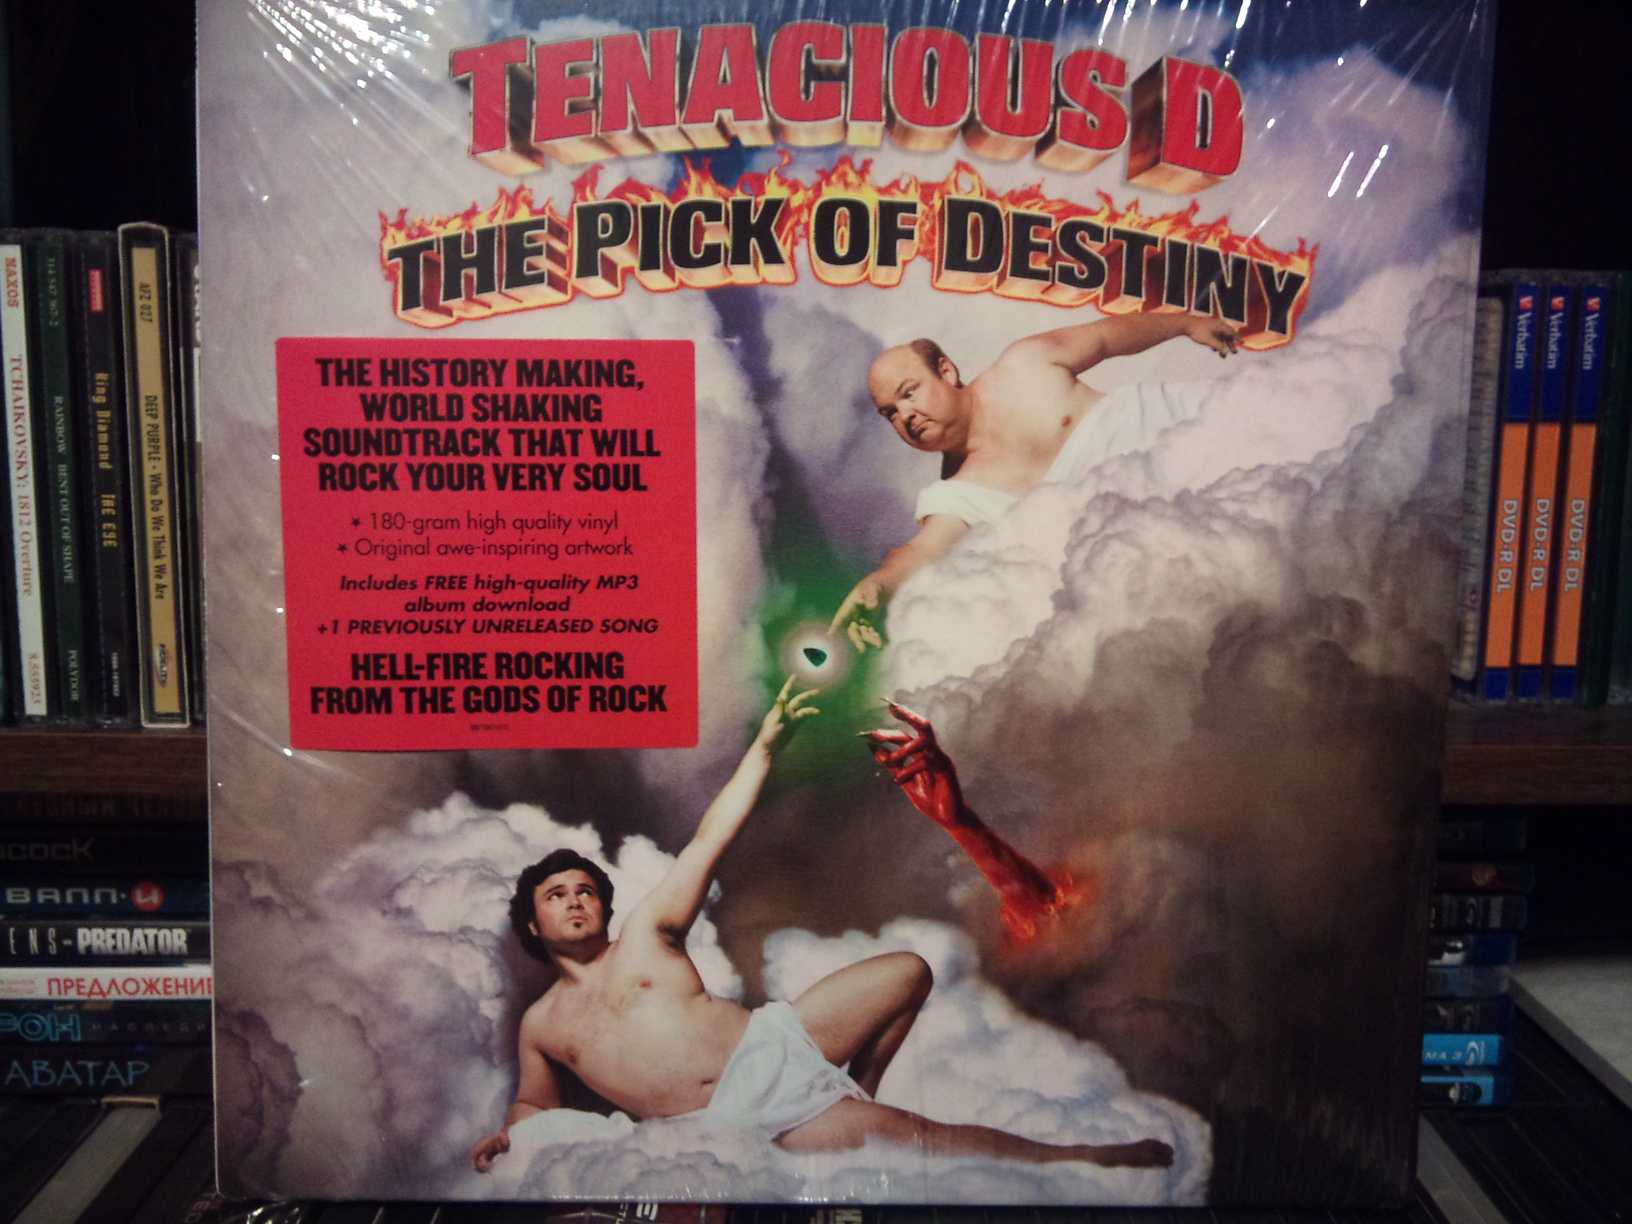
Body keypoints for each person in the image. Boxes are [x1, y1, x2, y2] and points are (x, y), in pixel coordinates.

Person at [469, 681, 1174, 1173]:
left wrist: (767, 746)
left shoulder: (648, 931)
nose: (577, 901)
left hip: (772, 1043)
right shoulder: (544, 1023)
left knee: (908, 971)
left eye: (586, 891)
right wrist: (508, 1136)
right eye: (558, 895)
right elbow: (535, 1103)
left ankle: (871, 1091)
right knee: (917, 1140)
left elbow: (711, 838)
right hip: (724, 1123)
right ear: (532, 923)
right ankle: (1076, 1157)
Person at [832, 312, 1240, 650]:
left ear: (946, 371)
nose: (905, 416)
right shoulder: (954, 495)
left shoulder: (1023, 364)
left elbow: (1104, 337)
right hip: (1195, 518)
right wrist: (879, 585)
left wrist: (1185, 324)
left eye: (909, 393)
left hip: (1215, 425)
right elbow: (922, 550)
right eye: (890, 413)